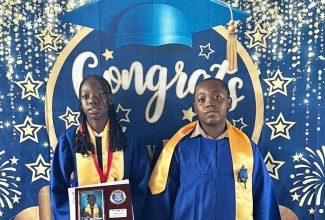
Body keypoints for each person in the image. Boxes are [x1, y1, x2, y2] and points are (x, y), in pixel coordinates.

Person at [147, 78, 281, 220]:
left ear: (228, 103)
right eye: (201, 100)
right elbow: (161, 200)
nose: (209, 103)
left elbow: (264, 198)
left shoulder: (247, 149)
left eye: (217, 97)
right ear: (195, 108)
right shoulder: (179, 147)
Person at [50, 74, 150, 220]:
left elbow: (140, 186)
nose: (92, 100)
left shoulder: (129, 139)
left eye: (99, 94)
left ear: (109, 99)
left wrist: (126, 212)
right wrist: (71, 216)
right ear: (80, 102)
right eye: (85, 96)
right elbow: (58, 187)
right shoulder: (70, 140)